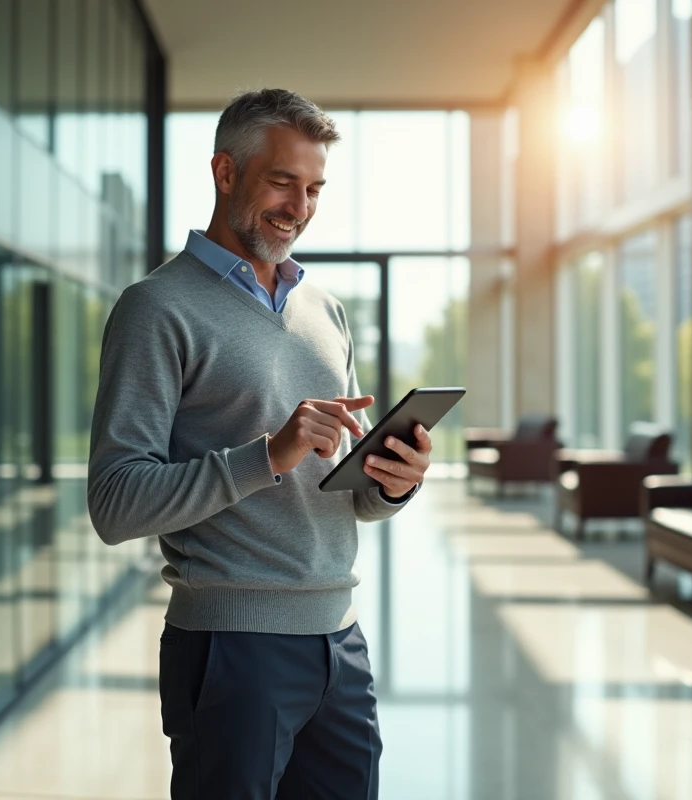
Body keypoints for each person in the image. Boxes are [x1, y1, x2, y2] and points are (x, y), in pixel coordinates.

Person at [87, 88, 431, 799]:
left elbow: (350, 498)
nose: (299, 207)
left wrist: (395, 481)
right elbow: (115, 503)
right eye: (282, 181)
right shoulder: (156, 308)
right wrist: (266, 456)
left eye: (313, 188)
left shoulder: (325, 310)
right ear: (225, 171)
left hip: (340, 639)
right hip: (230, 649)